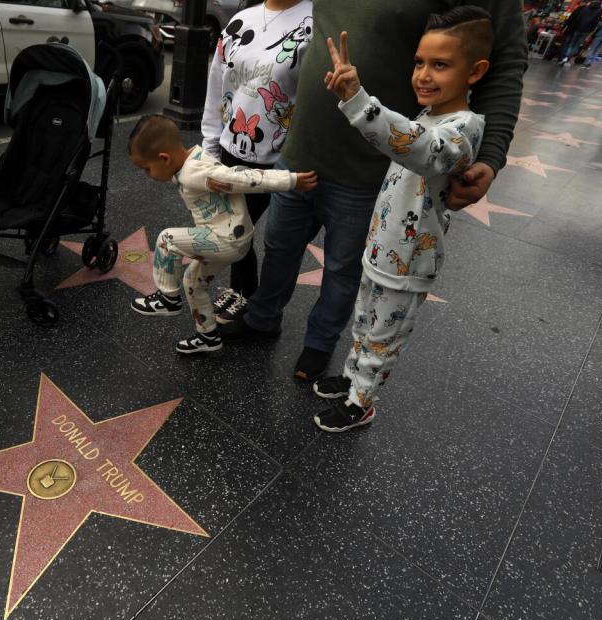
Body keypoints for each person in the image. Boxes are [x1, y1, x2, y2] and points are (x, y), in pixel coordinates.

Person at [220, 0, 526, 383]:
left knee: (341, 270)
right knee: (279, 248)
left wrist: (492, 153)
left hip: (367, 171)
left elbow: (505, 60)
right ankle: (262, 318)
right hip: (301, 150)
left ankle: (319, 343)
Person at [311, 7, 491, 432]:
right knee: (362, 322)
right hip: (382, 249)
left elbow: (423, 149)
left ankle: (362, 403)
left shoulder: (464, 128)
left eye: (440, 65)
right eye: (419, 63)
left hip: (409, 262)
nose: (424, 75)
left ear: (476, 71)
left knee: (382, 337)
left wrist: (358, 100)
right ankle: (354, 379)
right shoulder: (428, 114)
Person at [127, 115, 317, 355]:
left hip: (226, 240)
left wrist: (290, 180)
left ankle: (167, 298)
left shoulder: (196, 172)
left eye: (147, 169)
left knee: (167, 239)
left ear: (164, 158)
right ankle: (207, 336)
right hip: (225, 238)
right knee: (193, 282)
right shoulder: (196, 158)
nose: (148, 175)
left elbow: (244, 178)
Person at [200, 0, 314, 326]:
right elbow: (216, 89)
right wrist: (209, 149)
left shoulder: (316, 22)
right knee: (237, 230)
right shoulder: (240, 20)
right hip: (231, 148)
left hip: (281, 158)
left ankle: (262, 311)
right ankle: (242, 294)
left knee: (274, 241)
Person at [558, 0, 602, 66]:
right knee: (577, 45)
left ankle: (564, 58)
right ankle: (567, 59)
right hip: (586, 31)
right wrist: (591, 30)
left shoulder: (586, 8)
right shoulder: (600, 10)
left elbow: (578, 18)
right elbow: (595, 22)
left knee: (571, 44)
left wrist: (576, 26)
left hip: (578, 29)